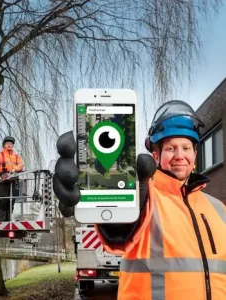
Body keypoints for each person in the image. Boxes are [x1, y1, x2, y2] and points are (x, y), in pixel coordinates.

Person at [53, 100, 226, 300]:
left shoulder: (219, 208)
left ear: (195, 154)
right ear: (155, 155)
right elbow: (120, 231)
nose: (180, 155)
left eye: (186, 148)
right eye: (171, 148)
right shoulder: (144, 197)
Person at [0, 136, 24, 221]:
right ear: (4, 145)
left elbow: (21, 165)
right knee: (3, 201)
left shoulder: (16, 156)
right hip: (2, 181)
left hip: (13, 181)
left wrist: (14, 169)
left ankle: (8, 222)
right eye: (8, 143)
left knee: (11, 202)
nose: (9, 145)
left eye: (11, 144)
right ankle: (2, 223)